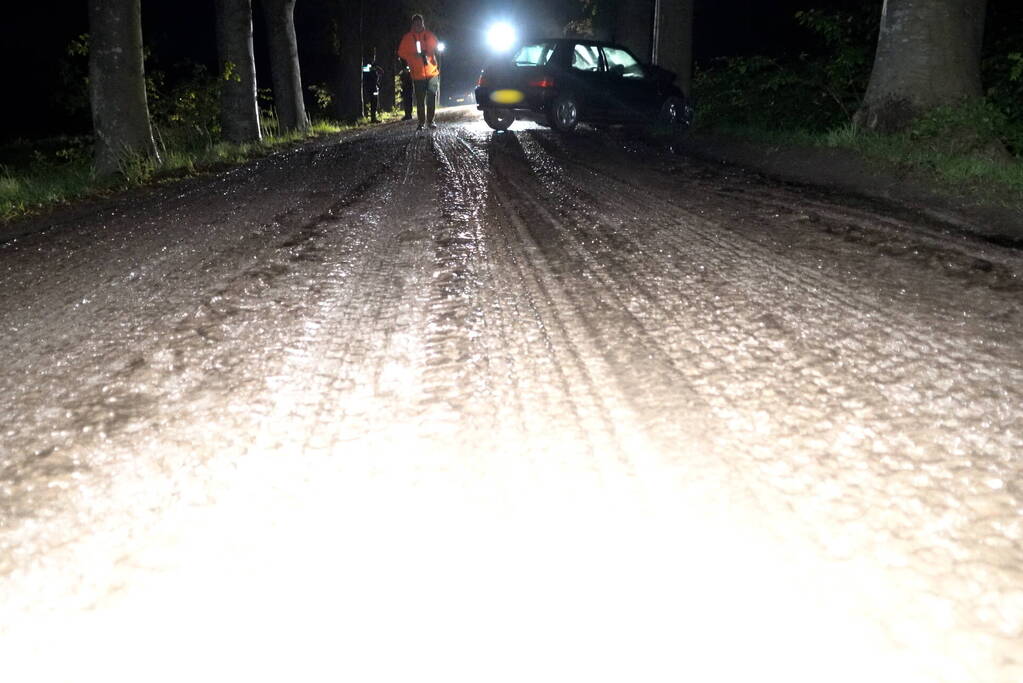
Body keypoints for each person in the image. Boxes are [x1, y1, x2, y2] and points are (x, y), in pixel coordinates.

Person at [397, 14, 440, 130]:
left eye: (419, 23)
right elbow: (400, 52)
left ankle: (431, 121)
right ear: (412, 24)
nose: (417, 25)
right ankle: (421, 122)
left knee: (431, 96)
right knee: (420, 100)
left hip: (432, 72)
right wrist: (412, 56)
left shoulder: (429, 35)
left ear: (422, 24)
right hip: (417, 74)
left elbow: (437, 46)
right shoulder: (407, 38)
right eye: (415, 23)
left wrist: (429, 51)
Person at [362, 59, 383, 123]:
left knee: (374, 104)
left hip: (373, 89)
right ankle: (373, 118)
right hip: (373, 89)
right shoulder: (370, 72)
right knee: (373, 104)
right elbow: (381, 71)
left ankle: (373, 118)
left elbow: (381, 72)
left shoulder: (371, 71)